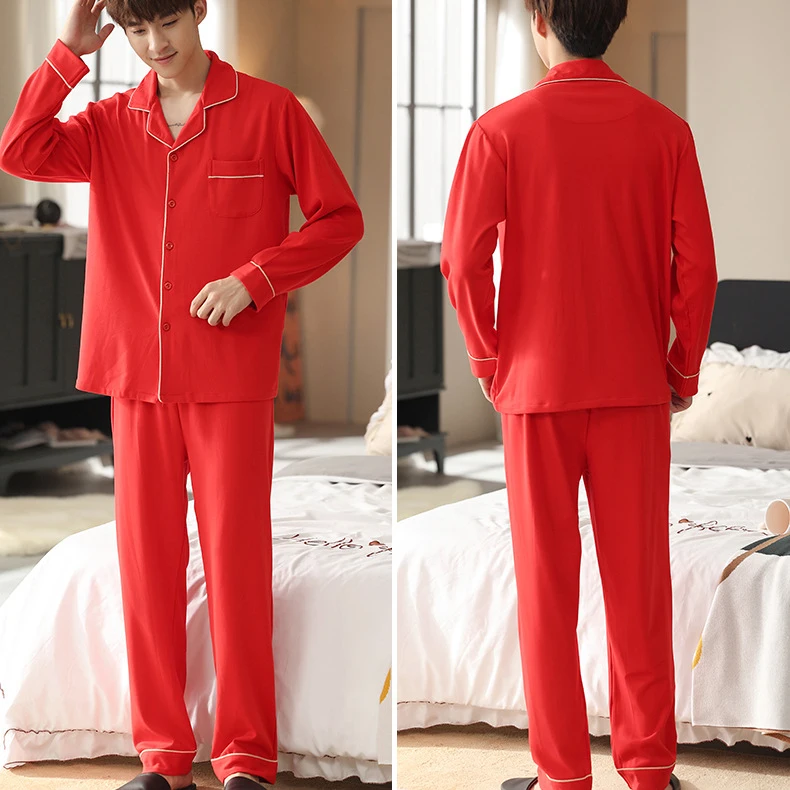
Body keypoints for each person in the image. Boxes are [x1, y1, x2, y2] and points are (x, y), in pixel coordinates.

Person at [0, 1, 364, 789]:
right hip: (135, 375)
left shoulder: (269, 111)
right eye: (136, 30)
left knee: (237, 564)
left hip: (229, 377)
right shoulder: (108, 123)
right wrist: (68, 51)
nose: (153, 44)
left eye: (166, 21)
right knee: (147, 568)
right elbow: (20, 148)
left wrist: (255, 278)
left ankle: (245, 757)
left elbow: (340, 219)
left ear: (200, 9)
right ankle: (163, 759)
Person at [439, 1, 718, 790]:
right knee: (639, 587)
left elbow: (461, 261)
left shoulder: (499, 131)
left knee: (545, 587)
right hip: (634, 387)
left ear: (539, 19)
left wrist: (490, 359)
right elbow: (698, 269)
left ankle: (561, 776)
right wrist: (682, 370)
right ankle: (649, 769)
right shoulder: (666, 132)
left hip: (537, 389)